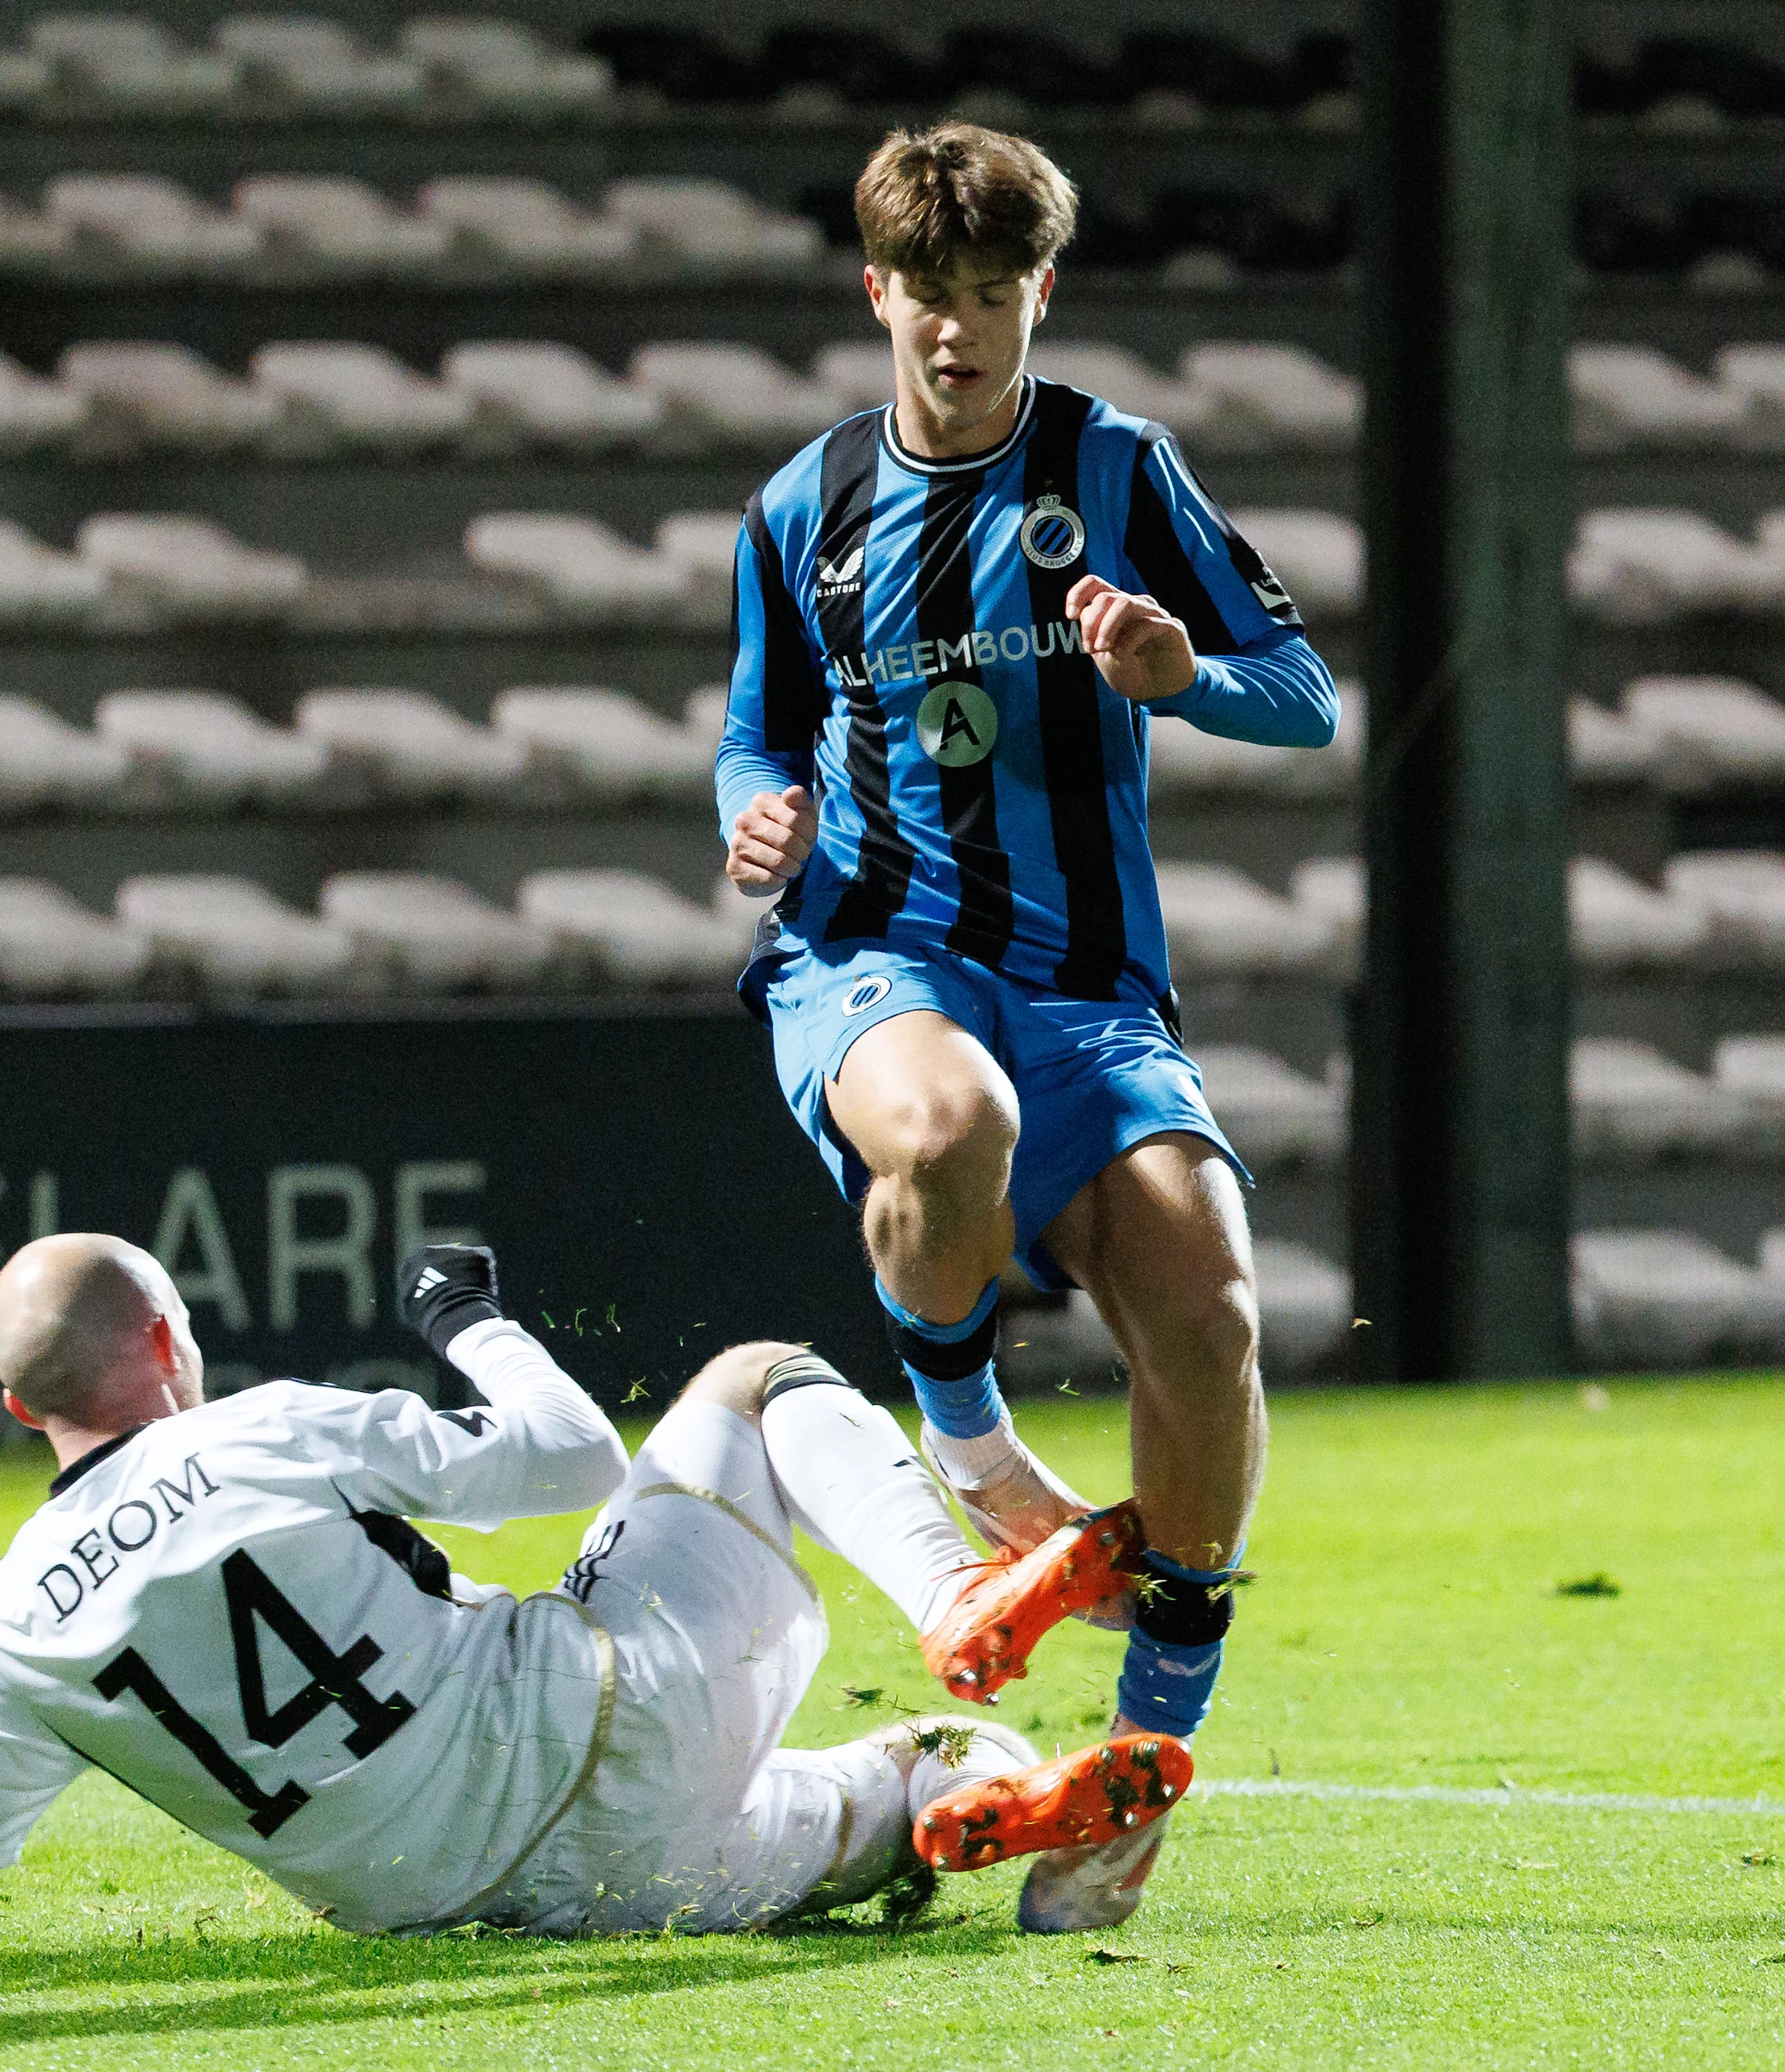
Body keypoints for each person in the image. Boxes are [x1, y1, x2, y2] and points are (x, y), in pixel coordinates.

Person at [718, 119, 1336, 1931]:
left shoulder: (1121, 468)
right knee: (946, 1122)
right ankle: (977, 1452)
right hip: (872, 953)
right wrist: (753, 814)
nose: (962, 331)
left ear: (1040, 293)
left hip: (1090, 988)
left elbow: (1299, 693)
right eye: (932, 297)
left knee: (1213, 1303)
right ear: (878, 294)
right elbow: (759, 731)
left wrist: (1181, 675)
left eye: (996, 296)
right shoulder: (801, 505)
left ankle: (1133, 1775)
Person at [0, 1234, 1188, 1942]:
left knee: (910, 1781)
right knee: (758, 1381)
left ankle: (1039, 1859)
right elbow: (568, 1456)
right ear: (170, 1334)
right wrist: (466, 1318)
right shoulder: (251, 1427)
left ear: (18, 1411)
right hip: (605, 1725)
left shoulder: (11, 1623)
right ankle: (948, 1594)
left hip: (523, 1900)